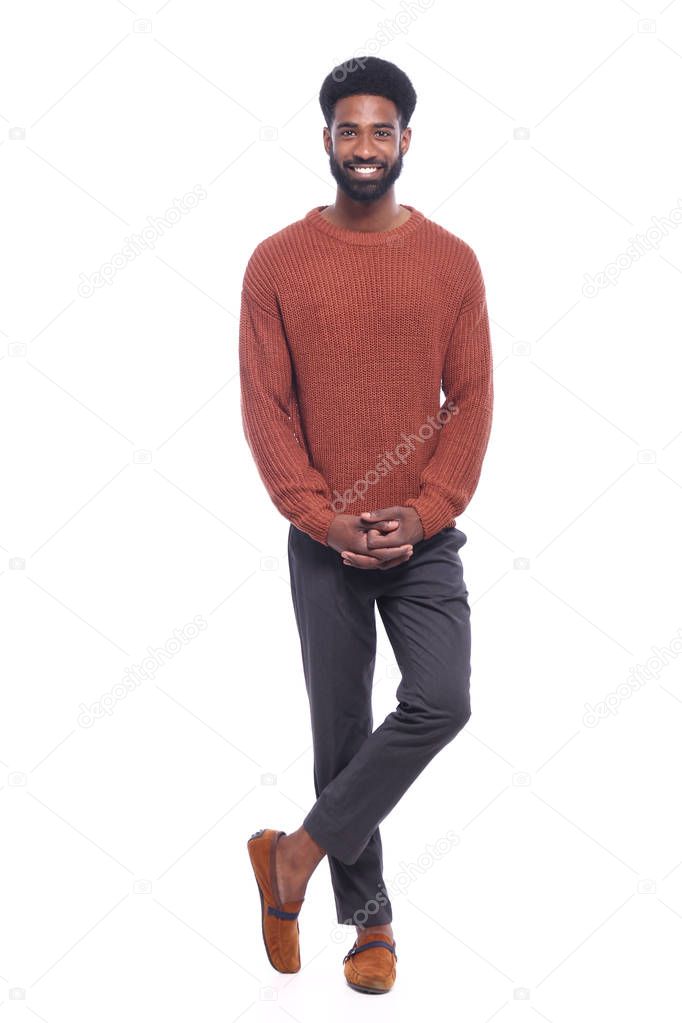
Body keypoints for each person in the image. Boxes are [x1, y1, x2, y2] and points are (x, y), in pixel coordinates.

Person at [241, 54, 494, 995]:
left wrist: (424, 512)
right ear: (325, 141)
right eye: (348, 130)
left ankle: (294, 855)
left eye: (379, 131)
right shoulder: (276, 263)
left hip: (424, 535)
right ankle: (370, 923)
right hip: (324, 541)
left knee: (442, 698)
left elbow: (469, 403)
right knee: (341, 732)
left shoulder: (452, 263)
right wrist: (327, 520)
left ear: (405, 143)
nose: (363, 147)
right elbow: (268, 413)